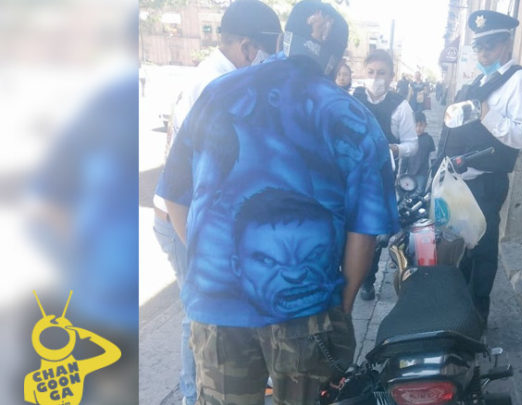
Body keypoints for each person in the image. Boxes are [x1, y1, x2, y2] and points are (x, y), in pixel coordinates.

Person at [156, 1, 399, 404]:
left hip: (217, 306)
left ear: (284, 39)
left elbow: (173, 195)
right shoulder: (352, 118)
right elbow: (364, 232)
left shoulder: (218, 92)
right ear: (338, 58)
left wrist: (208, 266)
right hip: (306, 312)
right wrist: (340, 307)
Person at [150, 2, 281, 404]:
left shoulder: (223, 79)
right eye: (271, 51)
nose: (273, 62)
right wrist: (201, 247)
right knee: (200, 314)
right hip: (183, 217)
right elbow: (184, 180)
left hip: (197, 216)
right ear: (248, 47)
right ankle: (192, 396)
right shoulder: (215, 85)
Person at [438, 10, 522, 325]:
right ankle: (461, 311)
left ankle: (477, 316)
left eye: (491, 45)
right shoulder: (482, 81)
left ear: (506, 44)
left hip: (486, 182)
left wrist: (486, 113)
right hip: (462, 180)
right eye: (479, 47)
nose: (483, 53)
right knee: (464, 248)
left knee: (482, 251)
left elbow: (521, 135)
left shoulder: (520, 81)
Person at [351, 49, 418, 301]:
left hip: (381, 179)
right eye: (370, 72)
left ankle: (367, 280)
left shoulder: (400, 106)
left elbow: (413, 144)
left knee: (372, 232)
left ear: (391, 76)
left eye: (381, 73)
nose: (375, 77)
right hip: (351, 174)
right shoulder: (352, 98)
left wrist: (395, 148)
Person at [402, 111, 436, 195]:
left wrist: (434, 170)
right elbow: (405, 156)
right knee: (408, 191)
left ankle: (418, 202)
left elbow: (433, 156)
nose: (418, 128)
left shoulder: (428, 139)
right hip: (410, 172)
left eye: (421, 125)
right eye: (416, 125)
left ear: (425, 125)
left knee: (419, 191)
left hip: (422, 172)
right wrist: (402, 171)